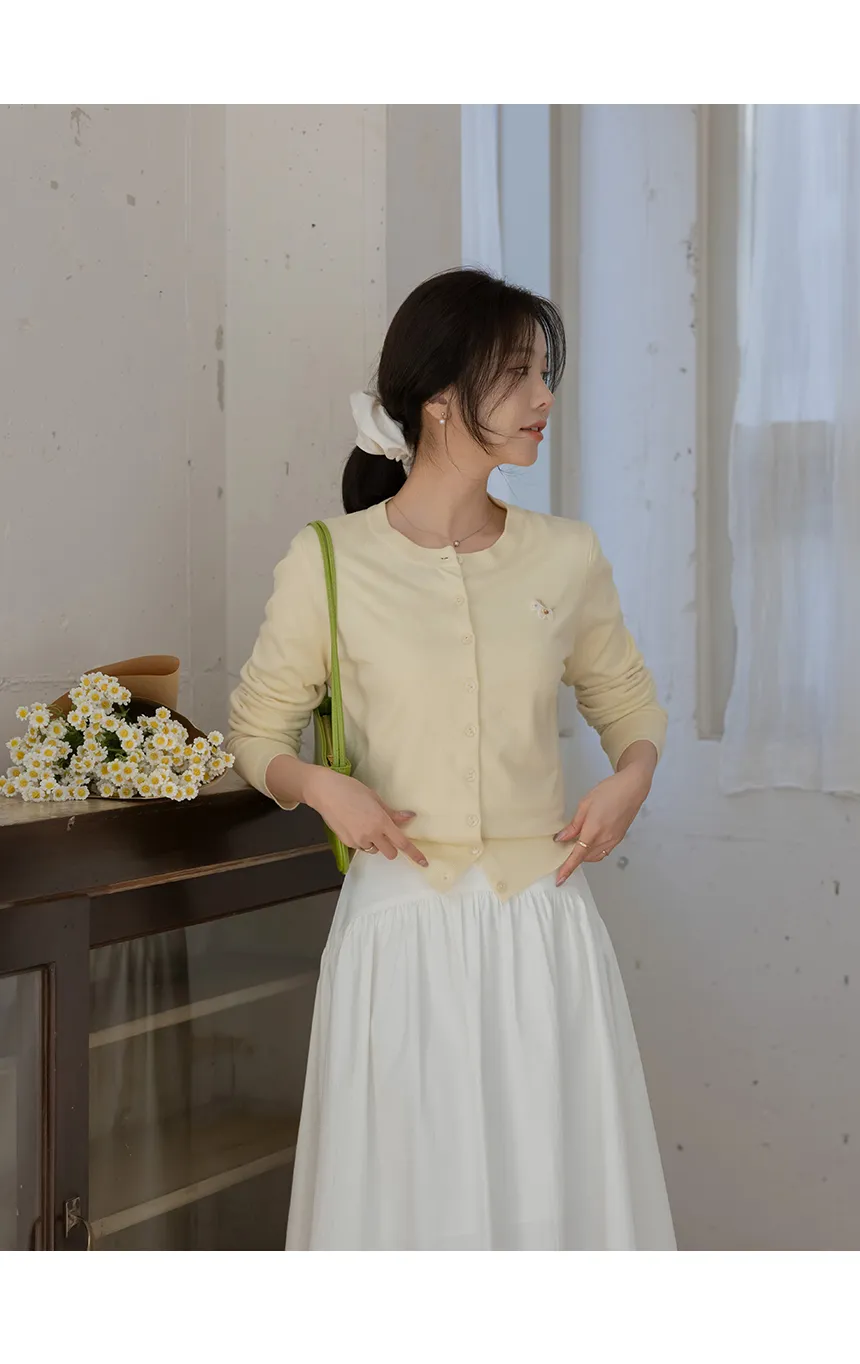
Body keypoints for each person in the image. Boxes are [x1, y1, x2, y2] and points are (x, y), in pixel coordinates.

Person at [227, 268, 676, 1251]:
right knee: (410, 1206)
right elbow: (256, 730)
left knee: (548, 1199)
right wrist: (321, 786)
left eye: (546, 373)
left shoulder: (565, 554)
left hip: (542, 925)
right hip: (401, 928)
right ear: (437, 398)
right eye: (519, 373)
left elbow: (629, 705)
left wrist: (631, 779)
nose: (544, 397)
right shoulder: (330, 559)